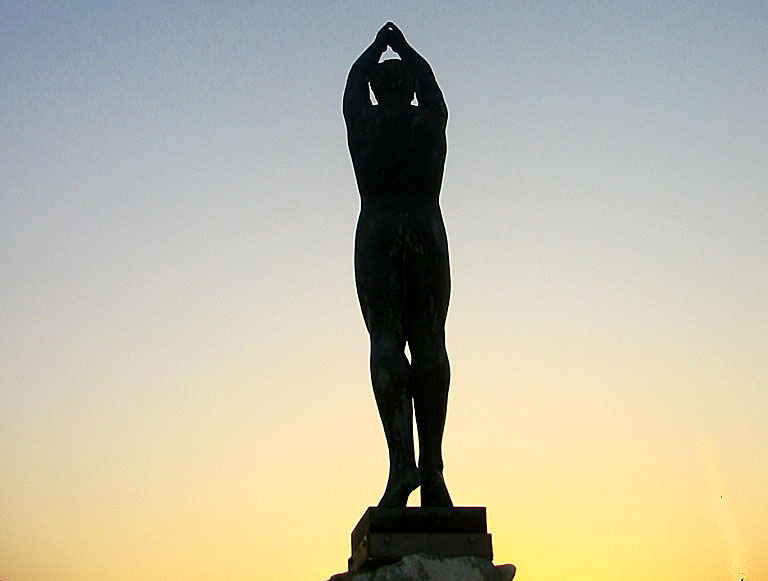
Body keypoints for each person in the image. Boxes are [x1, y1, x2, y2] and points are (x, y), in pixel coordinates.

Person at [343, 22, 452, 507]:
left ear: (375, 90)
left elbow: (351, 84)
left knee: (386, 340)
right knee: (430, 342)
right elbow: (433, 89)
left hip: (380, 232)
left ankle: (404, 466)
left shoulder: (365, 126)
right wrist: (405, 48)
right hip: (426, 234)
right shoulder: (427, 123)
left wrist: (377, 47)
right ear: (408, 88)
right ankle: (432, 468)